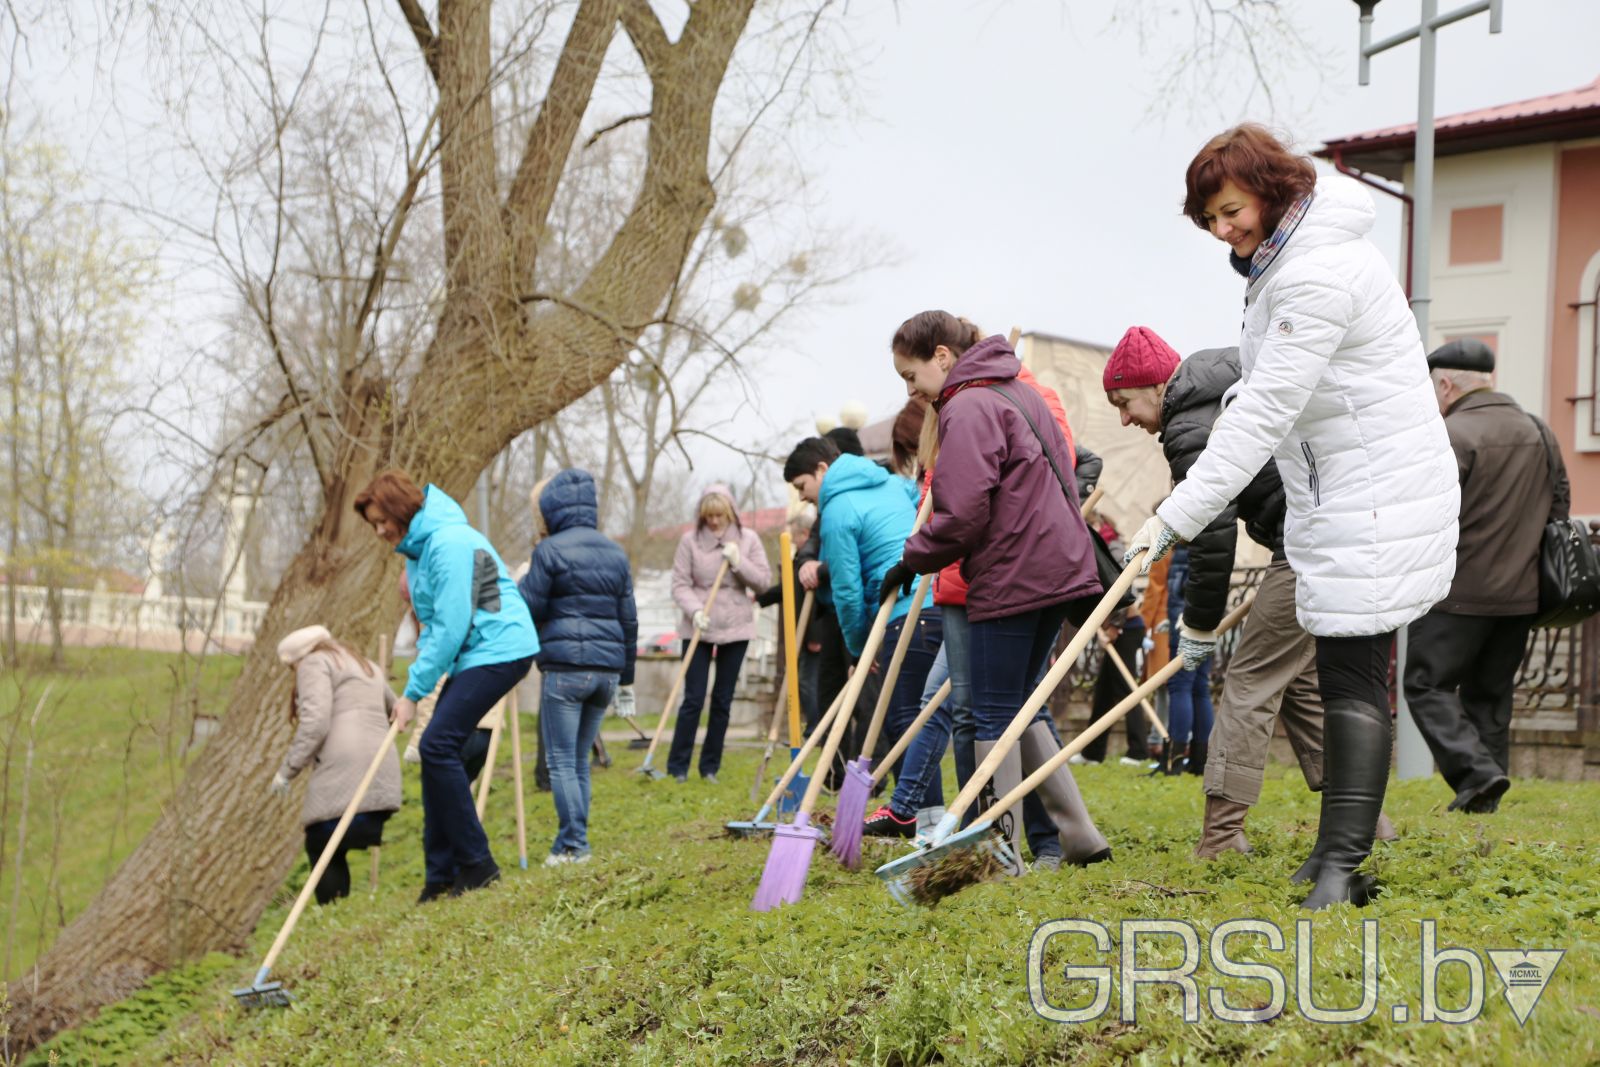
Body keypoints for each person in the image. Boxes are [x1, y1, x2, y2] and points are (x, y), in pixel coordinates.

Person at [1130, 125, 1458, 908]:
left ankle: (1343, 865)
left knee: (1352, 684)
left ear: (1273, 189)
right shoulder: (1287, 261)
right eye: (1209, 218)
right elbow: (1274, 382)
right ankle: (1332, 855)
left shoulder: (1316, 272)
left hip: (1372, 496)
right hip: (1342, 490)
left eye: (1230, 209)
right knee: (1345, 677)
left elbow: (1265, 412)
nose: (1221, 231)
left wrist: (1174, 515)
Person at [1103, 326, 1397, 854]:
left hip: (1314, 543)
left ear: (1154, 386)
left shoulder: (1190, 425)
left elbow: (1213, 537)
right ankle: (1369, 821)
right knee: (1302, 686)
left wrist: (1197, 626)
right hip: (1338, 533)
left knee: (1249, 678)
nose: (1126, 419)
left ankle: (1221, 837)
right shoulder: (1219, 388)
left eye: (1125, 403)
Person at [887, 311, 1111, 871]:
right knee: (1022, 708)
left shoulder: (969, 405)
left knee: (989, 716)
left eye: (911, 375)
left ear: (942, 356)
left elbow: (962, 516)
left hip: (1012, 574)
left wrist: (910, 559)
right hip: (1053, 571)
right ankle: (1075, 836)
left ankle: (997, 851)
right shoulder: (1019, 391)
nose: (912, 391)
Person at [356, 470, 540, 901]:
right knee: (440, 752)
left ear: (401, 508)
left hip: (501, 648)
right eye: (373, 524)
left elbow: (451, 625)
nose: (379, 530)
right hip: (478, 653)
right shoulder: (420, 550)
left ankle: (479, 866)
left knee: (437, 745)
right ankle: (440, 877)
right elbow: (434, 625)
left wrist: (412, 694)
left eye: (382, 519)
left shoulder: (448, 543)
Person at [1404, 338, 1570, 813]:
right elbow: (1560, 510)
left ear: (1446, 383)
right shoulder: (1540, 431)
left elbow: (1426, 514)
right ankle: (1484, 797)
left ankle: (1476, 774)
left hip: (1457, 593)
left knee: (1425, 684)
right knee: (1491, 696)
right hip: (1522, 596)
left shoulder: (1450, 435)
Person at [784, 436, 941, 803]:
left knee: (902, 719)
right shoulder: (891, 483)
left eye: (802, 486)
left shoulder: (838, 510)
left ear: (822, 469)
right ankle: (919, 813)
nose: (803, 497)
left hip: (901, 612)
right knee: (927, 718)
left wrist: (859, 649)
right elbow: (922, 511)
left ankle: (916, 814)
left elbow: (847, 592)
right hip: (937, 603)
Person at [517, 469, 639, 864]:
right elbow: (629, 620)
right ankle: (570, 842)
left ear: (551, 510)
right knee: (580, 762)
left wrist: (519, 583)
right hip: (606, 673)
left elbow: (528, 608)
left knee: (561, 763)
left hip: (566, 671)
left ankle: (574, 845)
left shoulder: (549, 552)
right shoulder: (616, 553)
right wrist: (627, 678)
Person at [272, 625, 402, 906]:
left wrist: (286, 771)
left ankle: (332, 913)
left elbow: (315, 722)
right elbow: (398, 711)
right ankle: (338, 911)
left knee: (320, 841)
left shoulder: (314, 663)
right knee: (332, 840)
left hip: (345, 768)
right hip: (382, 766)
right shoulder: (364, 664)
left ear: (296, 659)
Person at [667, 485, 771, 784]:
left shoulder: (748, 539)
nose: (713, 522)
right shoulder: (690, 541)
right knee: (693, 698)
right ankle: (677, 766)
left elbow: (763, 582)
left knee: (723, 700)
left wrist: (739, 562)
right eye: (708, 516)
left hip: (736, 626)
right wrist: (695, 609)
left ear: (730, 513)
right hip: (698, 625)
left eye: (719, 515)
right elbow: (679, 583)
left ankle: (709, 767)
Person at [1162, 545, 1213, 777]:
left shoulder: (1183, 551)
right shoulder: (1215, 543)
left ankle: (1175, 760)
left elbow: (1178, 593)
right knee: (1200, 688)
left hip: (1186, 624)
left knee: (1180, 686)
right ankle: (1201, 761)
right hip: (1209, 619)